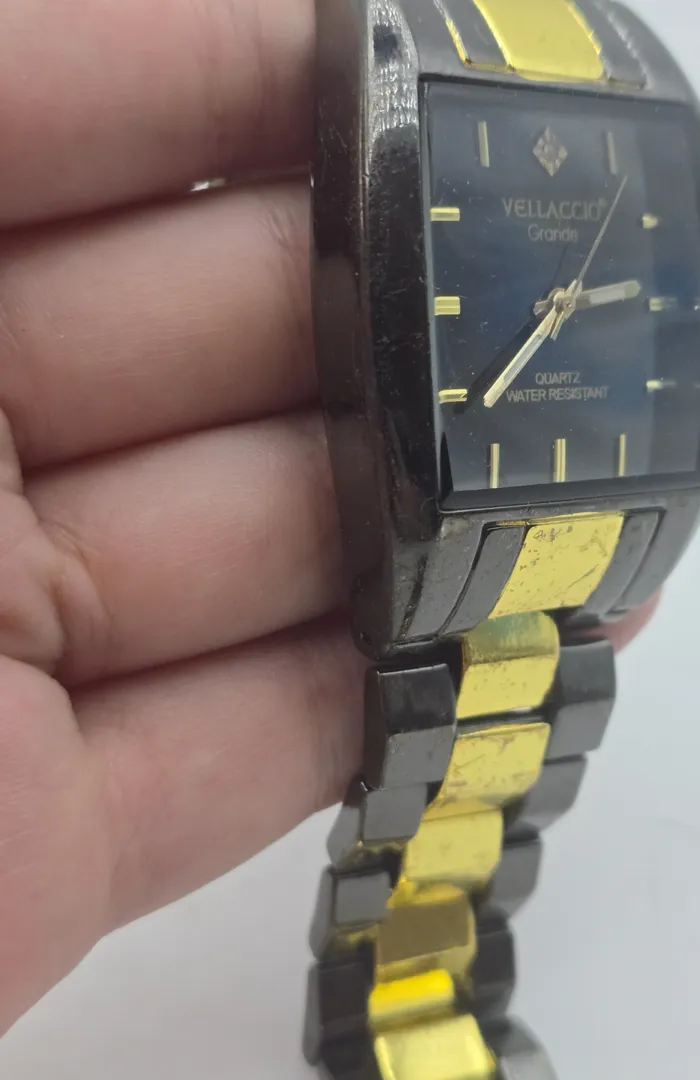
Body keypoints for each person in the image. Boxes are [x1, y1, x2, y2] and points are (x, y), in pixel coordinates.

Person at [0, 0, 656, 1039]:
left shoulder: (617, 73)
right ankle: (405, 1002)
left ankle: (420, 988)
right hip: (462, 511)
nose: (558, 306)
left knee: (482, 775)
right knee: (441, 784)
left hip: (577, 505)